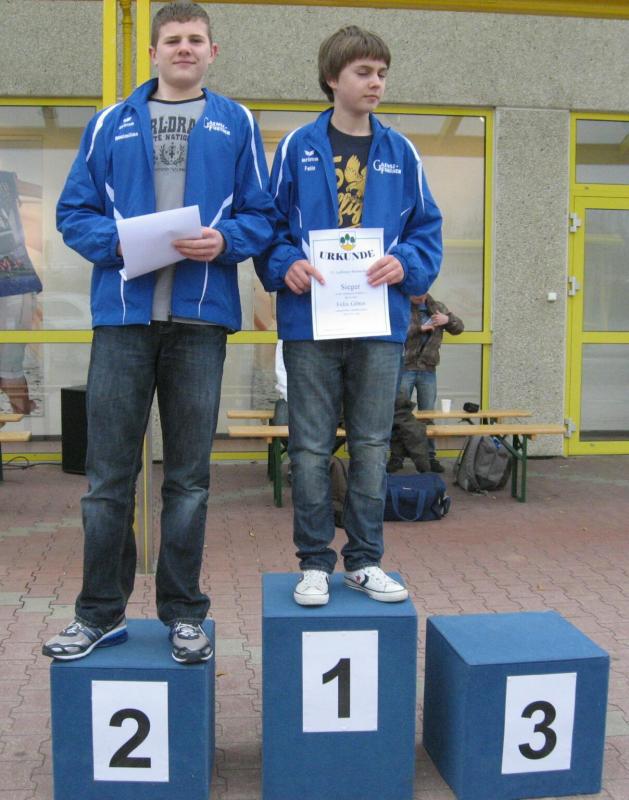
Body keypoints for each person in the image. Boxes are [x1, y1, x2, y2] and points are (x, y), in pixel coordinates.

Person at [42, 2, 274, 663]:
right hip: (123, 320)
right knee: (106, 480)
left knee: (190, 480)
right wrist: (117, 243)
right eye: (172, 39)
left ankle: (184, 614)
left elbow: (261, 215)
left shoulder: (237, 122)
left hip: (200, 322)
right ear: (152, 52)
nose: (183, 48)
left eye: (195, 39)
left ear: (212, 51)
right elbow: (74, 212)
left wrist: (225, 241)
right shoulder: (110, 123)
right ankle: (99, 614)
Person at [257, 26, 442, 606]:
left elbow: (427, 231)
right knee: (310, 449)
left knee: (372, 446)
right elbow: (266, 224)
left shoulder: (401, 152)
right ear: (332, 78)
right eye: (364, 72)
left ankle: (364, 560)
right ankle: (314, 562)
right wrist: (284, 263)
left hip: (378, 326)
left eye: (382, 73)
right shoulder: (296, 146)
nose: (376, 82)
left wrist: (406, 263)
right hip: (310, 324)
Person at [399, 293, 464, 472]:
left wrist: (447, 320)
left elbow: (459, 328)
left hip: (428, 368)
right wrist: (419, 328)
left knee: (427, 415)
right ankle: (397, 457)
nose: (419, 297)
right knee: (400, 413)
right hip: (405, 367)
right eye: (415, 293)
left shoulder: (438, 307)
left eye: (422, 292)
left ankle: (430, 458)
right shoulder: (402, 305)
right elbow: (396, 332)